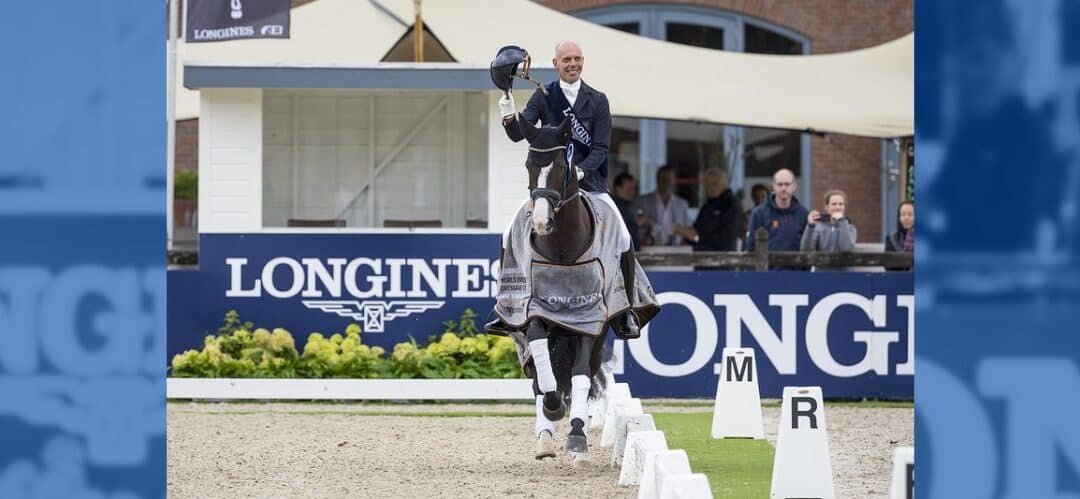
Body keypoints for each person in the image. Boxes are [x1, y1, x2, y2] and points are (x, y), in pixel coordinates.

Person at [497, 41, 640, 339]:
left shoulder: (598, 100)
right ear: (555, 63)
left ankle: (625, 309)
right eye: (567, 60)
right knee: (508, 232)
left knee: (624, 235)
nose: (573, 64)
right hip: (549, 186)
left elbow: (602, 147)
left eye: (577, 59)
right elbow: (516, 135)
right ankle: (509, 304)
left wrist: (582, 170)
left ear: (583, 62)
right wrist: (508, 108)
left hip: (589, 183)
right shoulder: (544, 95)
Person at [673, 167, 739, 251]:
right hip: (700, 258)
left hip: (722, 259)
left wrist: (696, 237)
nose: (711, 188)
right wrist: (685, 233)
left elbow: (726, 240)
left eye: (715, 184)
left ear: (724, 184)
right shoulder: (707, 206)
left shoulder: (731, 205)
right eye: (708, 185)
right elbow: (696, 231)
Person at [745, 168, 809, 251]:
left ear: (794, 186)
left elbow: (808, 248)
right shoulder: (759, 214)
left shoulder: (803, 214)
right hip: (767, 263)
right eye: (780, 184)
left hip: (797, 263)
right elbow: (751, 246)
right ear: (773, 186)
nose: (783, 188)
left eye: (787, 184)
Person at [639, 165, 691, 246]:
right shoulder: (643, 201)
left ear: (674, 181)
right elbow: (637, 225)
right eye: (663, 179)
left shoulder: (682, 204)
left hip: (676, 250)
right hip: (650, 249)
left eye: (669, 179)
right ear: (657, 180)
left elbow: (689, 231)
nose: (667, 183)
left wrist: (681, 231)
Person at [611, 173, 642, 250]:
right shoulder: (613, 208)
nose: (632, 192)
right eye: (629, 188)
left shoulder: (631, 207)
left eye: (633, 188)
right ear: (618, 188)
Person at [884, 200, 914, 271]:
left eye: (910, 214)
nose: (906, 217)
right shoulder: (891, 239)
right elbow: (888, 266)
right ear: (899, 218)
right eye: (903, 214)